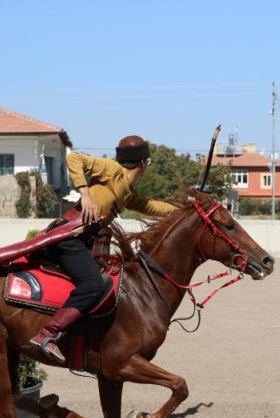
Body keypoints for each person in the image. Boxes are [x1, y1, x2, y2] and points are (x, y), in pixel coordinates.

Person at [29, 135, 177, 365]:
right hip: (69, 238)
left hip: (82, 242)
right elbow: (75, 159)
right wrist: (85, 194)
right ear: (143, 163)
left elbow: (151, 206)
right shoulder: (112, 170)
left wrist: (185, 208)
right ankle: (48, 334)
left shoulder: (127, 190)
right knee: (94, 284)